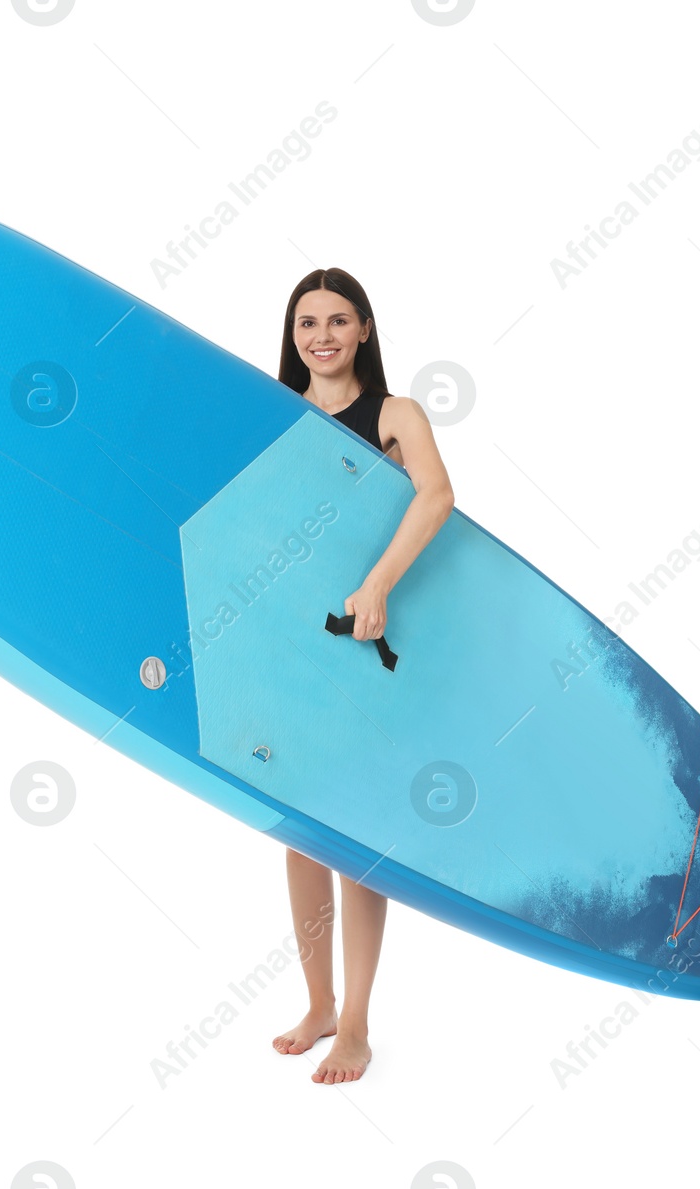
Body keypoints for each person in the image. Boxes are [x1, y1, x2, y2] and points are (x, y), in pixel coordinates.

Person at [269, 268, 455, 1083]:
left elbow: (438, 496)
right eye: (308, 322)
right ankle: (316, 1002)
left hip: (366, 634)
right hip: (285, 640)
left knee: (353, 836)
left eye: (339, 319)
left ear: (366, 328)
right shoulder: (268, 411)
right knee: (295, 830)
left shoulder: (394, 414)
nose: (322, 335)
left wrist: (378, 581)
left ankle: (355, 1024)